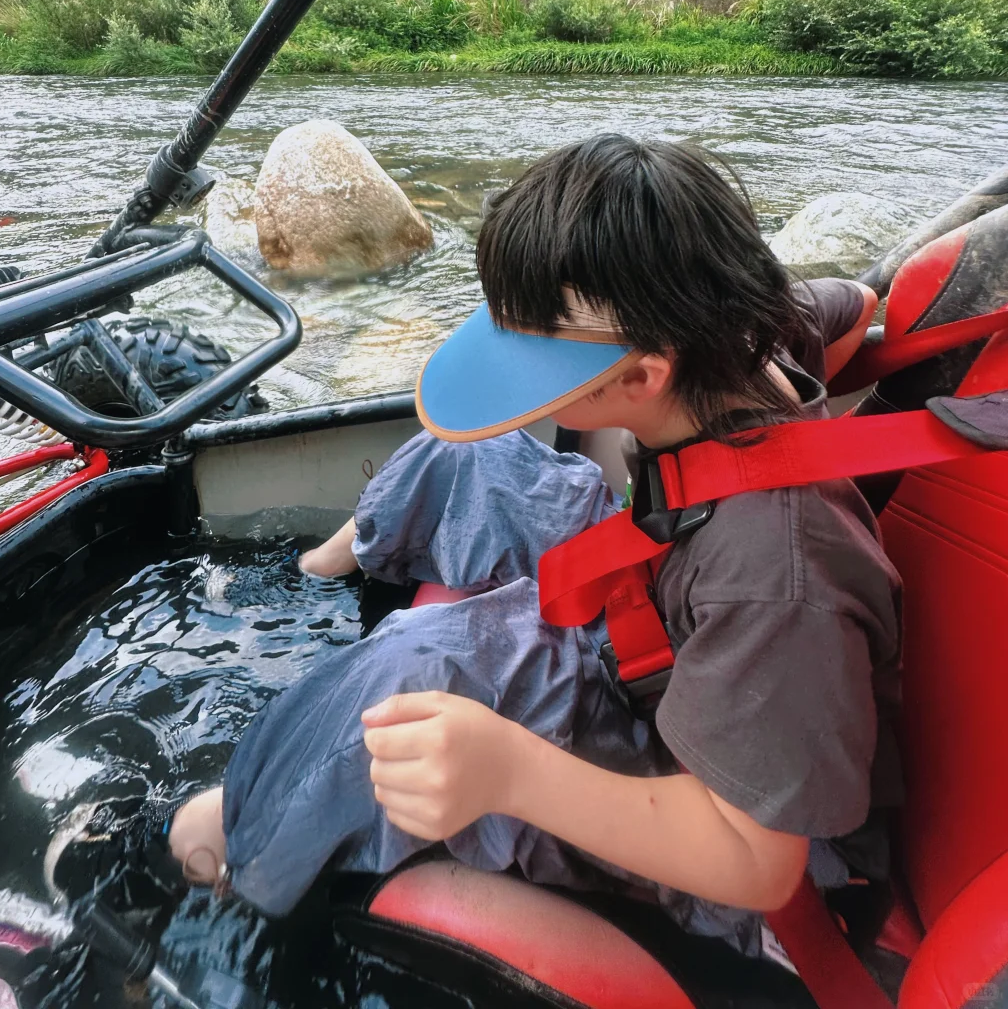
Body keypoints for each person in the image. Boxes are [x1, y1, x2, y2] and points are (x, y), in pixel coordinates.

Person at [57, 135, 898, 961]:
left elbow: (757, 864)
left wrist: (509, 773)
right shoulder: (757, 325)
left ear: (642, 378)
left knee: (417, 672)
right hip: (670, 568)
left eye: (533, 351)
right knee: (472, 453)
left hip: (742, 836)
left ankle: (199, 848)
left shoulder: (777, 575)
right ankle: (313, 578)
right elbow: (853, 305)